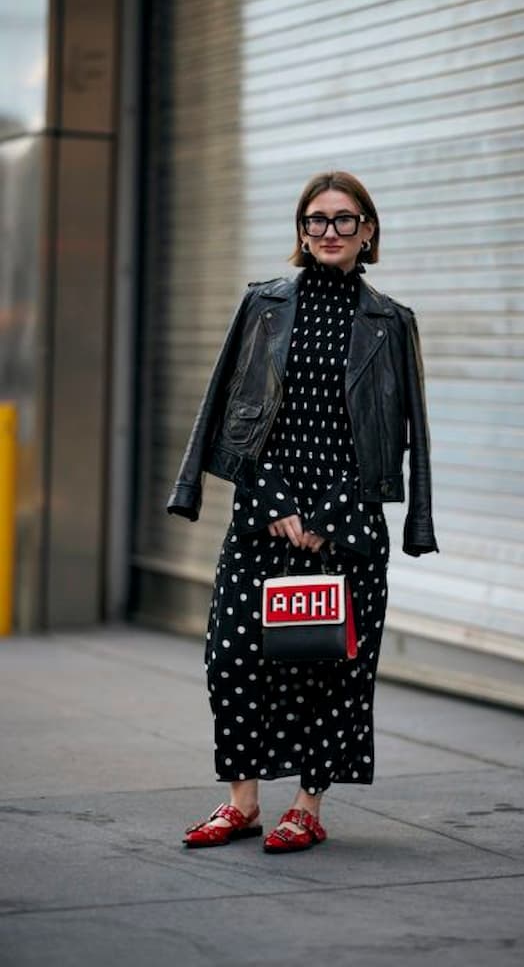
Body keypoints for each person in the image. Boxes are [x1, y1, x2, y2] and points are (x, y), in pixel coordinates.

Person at [167, 171, 438, 853]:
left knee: (332, 672)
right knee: (231, 659)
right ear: (300, 231)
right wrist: (269, 498)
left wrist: (332, 514)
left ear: (368, 231)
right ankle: (243, 802)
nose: (329, 232)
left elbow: (401, 434)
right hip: (264, 516)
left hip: (345, 530)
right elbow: (232, 408)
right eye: (315, 220)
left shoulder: (391, 322)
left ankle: (307, 806)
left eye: (345, 220)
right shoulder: (262, 304)